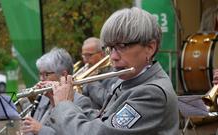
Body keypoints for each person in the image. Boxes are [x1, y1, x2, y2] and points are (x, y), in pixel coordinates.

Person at [46, 7, 179, 135]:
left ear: (149, 47)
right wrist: (61, 100)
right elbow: (103, 121)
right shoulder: (130, 80)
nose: (113, 57)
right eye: (110, 48)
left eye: (122, 46)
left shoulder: (151, 94)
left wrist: (64, 105)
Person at [20, 48, 93, 135]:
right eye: (40, 74)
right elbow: (32, 126)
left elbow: (74, 132)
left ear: (63, 75)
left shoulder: (80, 101)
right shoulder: (44, 97)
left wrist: (41, 130)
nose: (41, 79)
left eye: (46, 74)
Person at [80, 37, 118, 109]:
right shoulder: (83, 72)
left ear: (101, 54)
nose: (85, 59)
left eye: (89, 55)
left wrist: (90, 81)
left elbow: (109, 102)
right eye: (83, 55)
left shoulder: (114, 73)